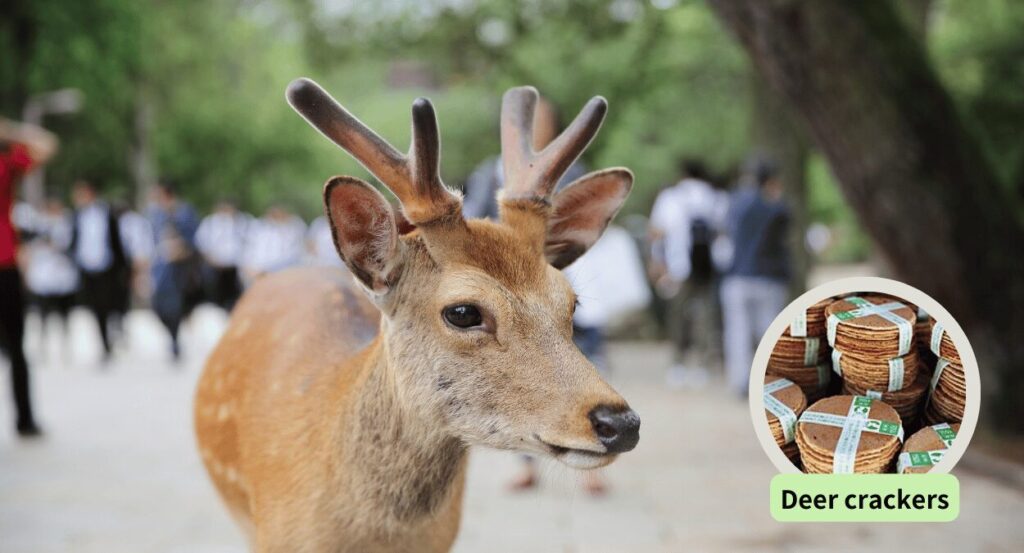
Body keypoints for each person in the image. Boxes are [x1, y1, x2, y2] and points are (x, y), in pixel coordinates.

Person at [648, 160, 728, 389]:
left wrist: (656, 262)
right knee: (706, 316)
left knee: (678, 316)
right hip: (708, 267)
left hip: (678, 265)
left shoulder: (670, 197)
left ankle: (678, 364)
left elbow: (656, 232)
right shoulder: (715, 197)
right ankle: (703, 365)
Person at [0, 118, 57, 437]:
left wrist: (9, 130)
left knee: (17, 347)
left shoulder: (6, 164)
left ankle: (25, 418)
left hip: (4, 263)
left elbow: (47, 145)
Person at [720, 157, 791, 397]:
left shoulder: (735, 203)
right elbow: (785, 221)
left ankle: (741, 382)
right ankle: (770, 381)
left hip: (738, 276)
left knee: (737, 333)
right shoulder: (775, 207)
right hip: (768, 278)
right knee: (769, 333)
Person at [70, 180, 129, 363]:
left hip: (107, 267)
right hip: (88, 268)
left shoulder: (107, 213)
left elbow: (117, 241)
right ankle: (105, 344)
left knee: (111, 303)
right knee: (96, 307)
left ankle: (116, 331)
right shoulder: (77, 216)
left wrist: (124, 266)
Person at [147, 179, 200, 361]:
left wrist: (181, 250)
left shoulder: (184, 212)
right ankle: (173, 336)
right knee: (158, 306)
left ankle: (175, 342)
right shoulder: (156, 214)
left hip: (180, 269)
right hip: (160, 267)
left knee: (174, 306)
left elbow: (193, 240)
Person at [24, 197, 78, 356]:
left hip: (62, 275)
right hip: (44, 276)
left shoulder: (66, 223)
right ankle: (43, 344)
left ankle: (65, 344)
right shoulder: (39, 224)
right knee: (43, 314)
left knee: (64, 313)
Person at [195, 201, 250, 311]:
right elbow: (202, 245)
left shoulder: (243, 222)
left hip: (236, 270)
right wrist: (213, 261)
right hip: (215, 269)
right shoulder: (210, 223)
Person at [240, 205, 307, 282]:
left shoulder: (294, 227)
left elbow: (298, 253)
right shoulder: (258, 228)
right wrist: (252, 270)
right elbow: (247, 254)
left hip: (286, 274)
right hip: (260, 273)